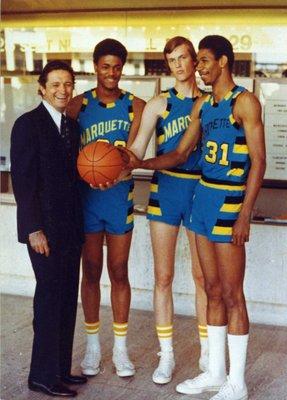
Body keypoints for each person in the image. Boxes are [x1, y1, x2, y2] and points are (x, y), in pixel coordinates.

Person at [124, 35, 266, 400]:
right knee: (213, 289)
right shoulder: (203, 106)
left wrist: (246, 213)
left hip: (229, 202)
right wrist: (141, 164)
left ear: (222, 61)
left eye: (203, 61)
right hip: (202, 199)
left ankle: (238, 382)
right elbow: (180, 153)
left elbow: (259, 161)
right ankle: (215, 374)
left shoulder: (245, 102)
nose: (198, 68)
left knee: (233, 294)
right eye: (196, 61)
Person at [126, 36, 208, 384]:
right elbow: (136, 151)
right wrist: (112, 163)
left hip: (200, 188)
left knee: (203, 278)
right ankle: (167, 355)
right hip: (165, 188)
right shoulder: (158, 104)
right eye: (171, 59)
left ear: (194, 61)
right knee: (163, 277)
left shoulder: (209, 103)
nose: (177, 64)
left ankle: (208, 352)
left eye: (183, 57)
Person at [67, 39, 145, 378]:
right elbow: (64, 154)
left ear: (122, 68)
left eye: (117, 66)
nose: (111, 72)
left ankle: (120, 350)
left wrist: (120, 169)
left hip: (119, 199)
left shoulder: (136, 106)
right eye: (105, 66)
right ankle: (93, 347)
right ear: (95, 66)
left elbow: (136, 155)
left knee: (119, 271)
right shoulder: (77, 105)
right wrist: (83, 169)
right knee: (91, 270)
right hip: (86, 201)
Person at [10, 61, 86, 397]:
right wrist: (34, 229)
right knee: (49, 297)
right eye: (55, 84)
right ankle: (41, 375)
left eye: (68, 84)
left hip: (70, 229)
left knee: (67, 297)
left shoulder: (72, 126)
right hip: (43, 231)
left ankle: (60, 370)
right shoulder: (27, 125)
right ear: (42, 87)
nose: (62, 90)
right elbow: (22, 184)